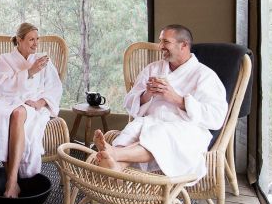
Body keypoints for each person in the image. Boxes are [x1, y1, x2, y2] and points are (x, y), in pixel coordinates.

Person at [94, 24, 227, 181]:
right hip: (151, 121)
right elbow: (130, 101)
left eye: (166, 42)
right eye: (160, 41)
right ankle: (117, 166)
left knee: (159, 134)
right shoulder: (153, 69)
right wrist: (147, 94)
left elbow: (216, 117)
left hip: (187, 130)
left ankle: (114, 153)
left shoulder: (204, 75)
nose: (160, 46)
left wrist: (177, 99)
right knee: (134, 129)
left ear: (184, 45)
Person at [0, 23, 63, 198]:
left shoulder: (43, 60)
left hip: (33, 105)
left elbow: (54, 87)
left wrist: (41, 102)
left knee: (19, 113)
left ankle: (11, 181)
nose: (35, 43)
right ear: (19, 40)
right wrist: (29, 72)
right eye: (31, 40)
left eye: (37, 39)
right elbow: (2, 87)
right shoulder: (4, 59)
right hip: (6, 101)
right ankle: (12, 182)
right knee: (4, 116)